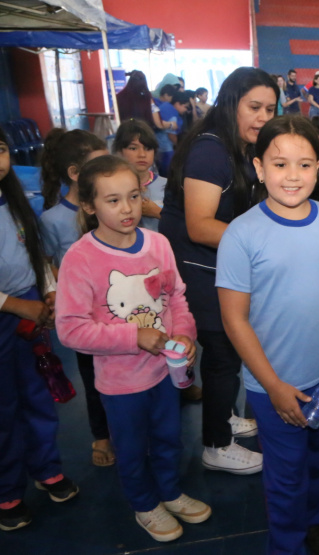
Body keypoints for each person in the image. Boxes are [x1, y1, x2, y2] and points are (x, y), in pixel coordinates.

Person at [217, 116, 319, 555]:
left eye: (304, 164)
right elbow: (234, 319)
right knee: (286, 475)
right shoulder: (241, 234)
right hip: (273, 382)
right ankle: (287, 545)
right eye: (280, 164)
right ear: (259, 168)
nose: (292, 176)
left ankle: (312, 520)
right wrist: (273, 385)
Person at [56, 155, 210, 542]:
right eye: (112, 200)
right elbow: (70, 330)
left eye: (134, 196)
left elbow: (176, 298)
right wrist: (132, 336)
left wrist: (186, 333)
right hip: (121, 384)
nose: (127, 208)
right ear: (89, 206)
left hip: (164, 373)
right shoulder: (80, 258)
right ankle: (144, 504)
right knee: (131, 447)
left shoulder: (158, 244)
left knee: (168, 438)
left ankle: (170, 492)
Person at [159, 67, 279, 474]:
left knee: (225, 358)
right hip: (198, 272)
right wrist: (264, 243)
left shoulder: (236, 147)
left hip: (217, 268)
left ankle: (223, 418)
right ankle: (216, 444)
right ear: (232, 104)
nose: (263, 117)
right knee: (224, 355)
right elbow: (200, 224)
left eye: (270, 109)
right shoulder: (211, 150)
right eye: (254, 107)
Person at [0, 128, 79, 532]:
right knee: (3, 408)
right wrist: (17, 305)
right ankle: (7, 490)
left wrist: (48, 293)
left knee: (37, 394)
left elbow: (37, 254)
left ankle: (46, 468)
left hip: (29, 305)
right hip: (8, 309)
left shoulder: (16, 203)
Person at [38, 130, 113, 467]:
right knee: (93, 379)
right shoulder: (52, 220)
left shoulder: (110, 207)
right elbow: (50, 263)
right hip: (86, 318)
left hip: (121, 308)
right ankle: (102, 435)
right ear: (74, 173)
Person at [114, 120, 169, 234]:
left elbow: (183, 224)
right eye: (133, 148)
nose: (142, 155)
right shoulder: (110, 187)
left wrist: (157, 212)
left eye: (148, 148)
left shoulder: (168, 185)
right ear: (119, 151)